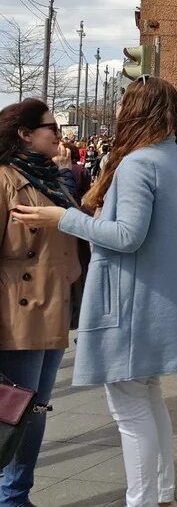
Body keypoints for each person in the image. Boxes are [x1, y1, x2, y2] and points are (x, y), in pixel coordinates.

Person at [12, 77, 177, 507]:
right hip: (158, 301)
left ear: (135, 110)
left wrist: (61, 218)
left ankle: (143, 501)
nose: (117, 114)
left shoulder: (139, 163)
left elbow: (127, 235)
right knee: (147, 399)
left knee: (130, 411)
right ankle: (162, 493)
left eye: (123, 106)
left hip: (132, 304)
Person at [0, 100, 84, 505]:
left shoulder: (53, 179)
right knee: (14, 412)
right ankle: (11, 498)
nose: (58, 133)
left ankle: (18, 493)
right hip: (17, 315)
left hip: (53, 310)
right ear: (25, 134)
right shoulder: (4, 180)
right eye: (51, 126)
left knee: (34, 411)